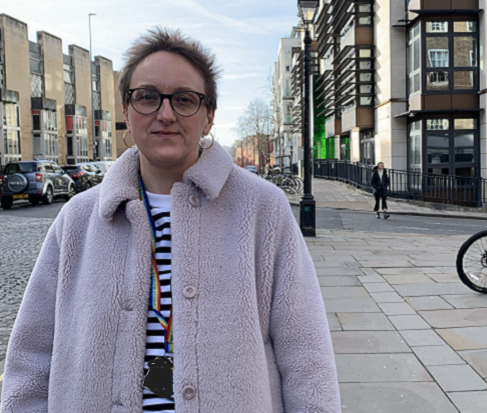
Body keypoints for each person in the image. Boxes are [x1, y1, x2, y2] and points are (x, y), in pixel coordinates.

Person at [0, 27, 340, 413]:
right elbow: (31, 359)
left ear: (209, 116)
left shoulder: (261, 208)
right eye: (147, 97)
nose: (165, 114)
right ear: (126, 111)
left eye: (184, 99)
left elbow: (306, 357)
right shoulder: (79, 218)